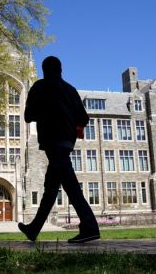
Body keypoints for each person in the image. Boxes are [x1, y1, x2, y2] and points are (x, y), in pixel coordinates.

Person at [18, 56, 100, 243]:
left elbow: (28, 116)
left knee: (70, 185)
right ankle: (34, 229)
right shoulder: (70, 90)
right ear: (60, 70)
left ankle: (90, 226)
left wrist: (45, 113)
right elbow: (84, 119)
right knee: (51, 188)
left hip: (52, 141)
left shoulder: (39, 87)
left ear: (44, 70)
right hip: (67, 142)